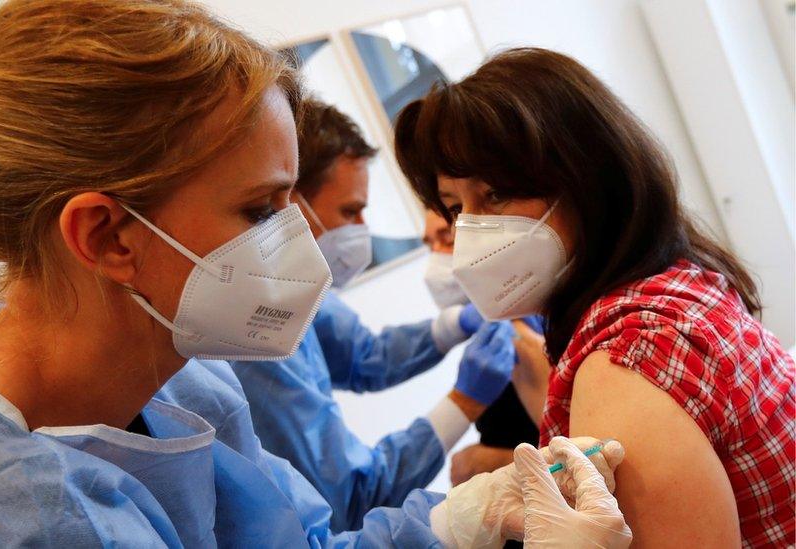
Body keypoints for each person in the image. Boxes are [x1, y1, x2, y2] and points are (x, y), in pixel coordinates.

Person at [0, 2, 630, 544]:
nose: (300, 247)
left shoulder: (180, 387)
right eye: (261, 210)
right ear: (107, 234)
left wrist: (465, 517)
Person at [395, 46, 795, 547]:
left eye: (495, 194)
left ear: (586, 178)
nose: (470, 229)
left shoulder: (627, 363)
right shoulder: (674, 280)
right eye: (456, 207)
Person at [229, 99, 515, 532]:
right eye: (350, 212)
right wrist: (463, 404)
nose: (362, 228)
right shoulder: (253, 330)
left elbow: (364, 357)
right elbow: (350, 496)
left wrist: (451, 326)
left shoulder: (292, 291)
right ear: (288, 204)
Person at [423, 209, 540, 488]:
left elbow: (584, 449)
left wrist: (490, 465)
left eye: (446, 241)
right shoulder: (493, 331)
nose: (434, 260)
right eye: (429, 245)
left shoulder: (519, 332)